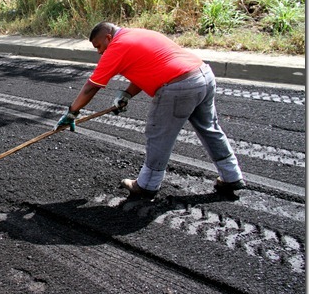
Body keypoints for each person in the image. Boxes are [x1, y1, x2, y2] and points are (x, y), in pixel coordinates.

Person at [55, 21, 246, 199]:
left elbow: (91, 86)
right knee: (209, 128)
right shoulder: (138, 34)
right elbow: (149, 67)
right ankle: (231, 175)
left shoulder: (116, 47)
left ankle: (147, 185)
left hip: (179, 87)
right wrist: (127, 94)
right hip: (203, 76)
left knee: (158, 135)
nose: (99, 52)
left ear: (107, 37)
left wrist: (72, 112)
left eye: (98, 46)